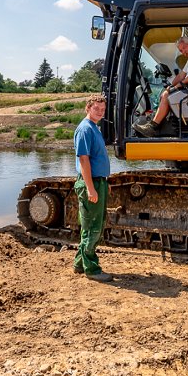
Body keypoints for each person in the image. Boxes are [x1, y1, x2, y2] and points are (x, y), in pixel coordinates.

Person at [72, 94, 113, 282]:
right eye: (96, 108)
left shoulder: (94, 127)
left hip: (98, 181)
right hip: (91, 182)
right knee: (93, 226)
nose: (100, 112)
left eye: (102, 109)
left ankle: (80, 263)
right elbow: (84, 160)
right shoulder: (85, 129)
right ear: (88, 108)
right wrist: (91, 188)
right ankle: (92, 269)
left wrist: (103, 183)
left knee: (91, 224)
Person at [133, 36, 188, 136]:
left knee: (167, 96)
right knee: (167, 93)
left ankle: (153, 127)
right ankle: (156, 124)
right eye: (181, 50)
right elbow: (182, 75)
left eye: (184, 48)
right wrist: (169, 86)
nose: (183, 52)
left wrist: (175, 87)